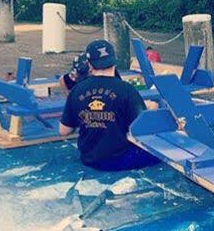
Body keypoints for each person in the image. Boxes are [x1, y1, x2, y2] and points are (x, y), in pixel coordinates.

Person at [59, 40, 158, 171]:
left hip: (89, 158)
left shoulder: (77, 90)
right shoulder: (126, 90)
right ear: (114, 61)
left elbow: (64, 131)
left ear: (89, 64)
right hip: (120, 160)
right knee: (160, 151)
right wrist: (153, 108)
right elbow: (143, 126)